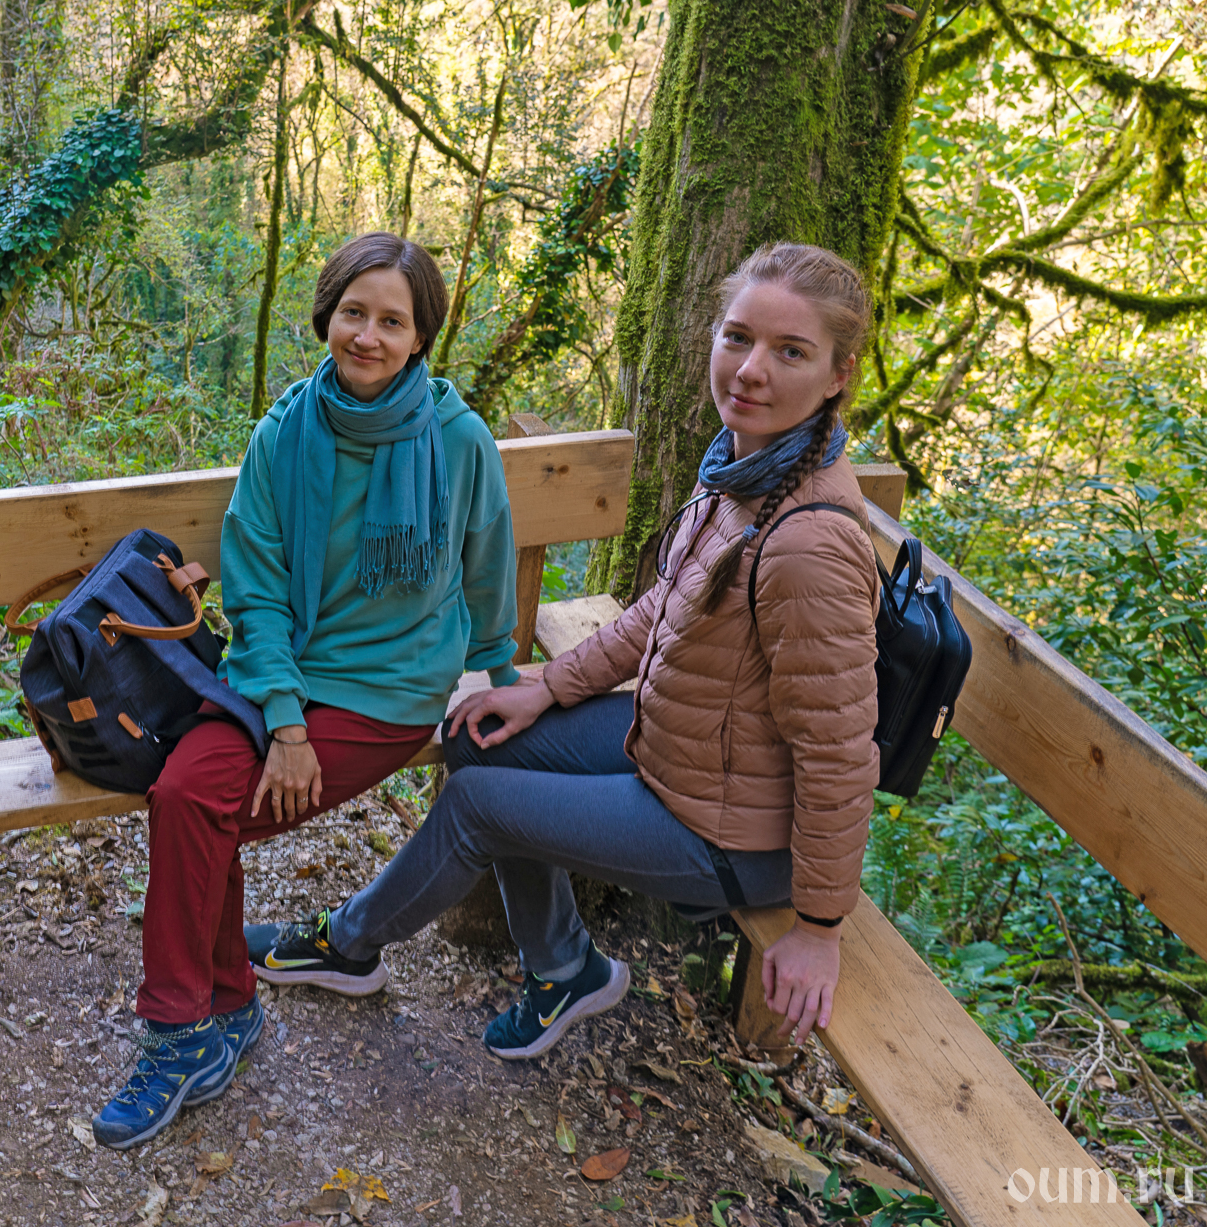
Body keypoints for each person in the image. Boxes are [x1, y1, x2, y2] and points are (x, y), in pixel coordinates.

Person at [246, 241, 882, 1061]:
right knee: (480, 734)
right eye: (738, 338)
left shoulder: (807, 544)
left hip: (732, 832)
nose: (751, 370)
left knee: (478, 806)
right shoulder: (746, 468)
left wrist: (820, 928)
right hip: (684, 749)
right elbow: (663, 608)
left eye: (790, 352)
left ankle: (348, 945)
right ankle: (564, 967)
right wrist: (545, 689)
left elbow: (838, 753)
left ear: (837, 375)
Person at [90, 232, 522, 1148]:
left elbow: (488, 565)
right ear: (328, 316)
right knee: (187, 793)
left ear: (420, 337)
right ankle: (222, 1009)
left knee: (204, 811)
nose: (368, 335)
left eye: (392, 321)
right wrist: (284, 722)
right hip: (277, 672)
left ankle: (186, 1028)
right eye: (354, 313)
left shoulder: (457, 440)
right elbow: (255, 589)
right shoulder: (284, 434)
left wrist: (505, 678)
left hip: (391, 688)